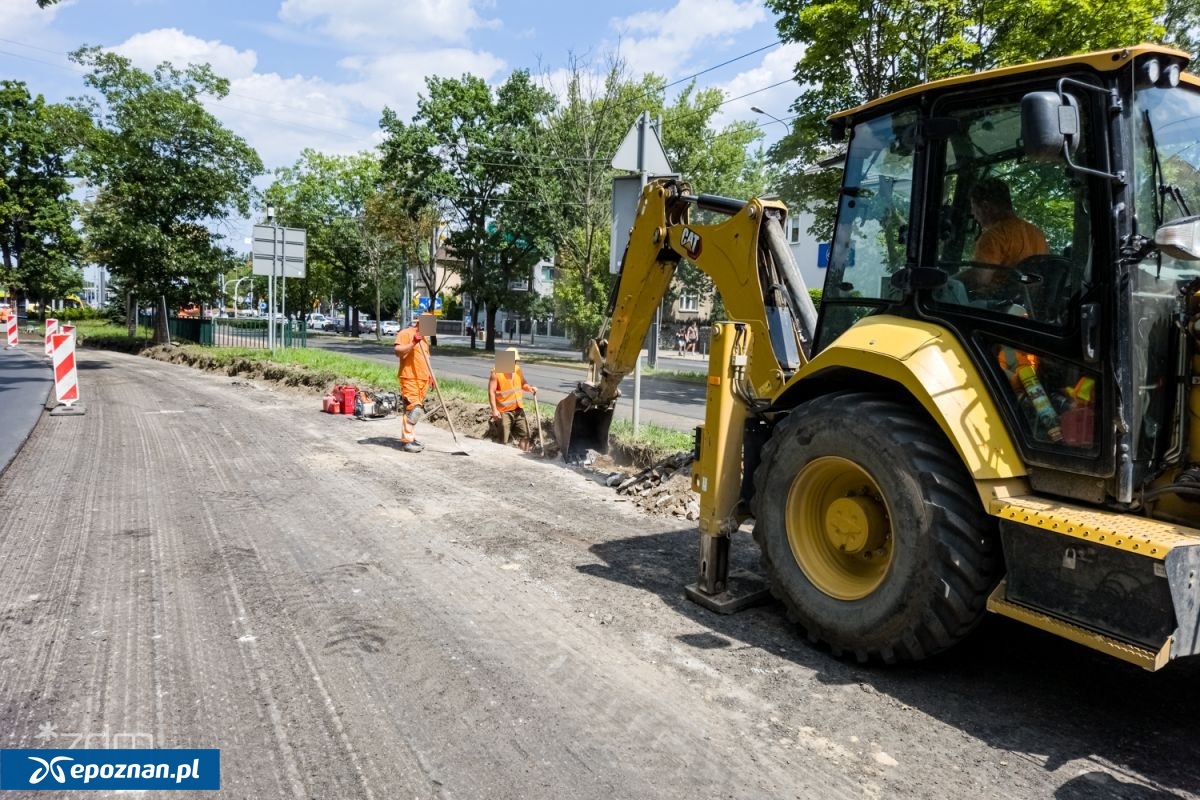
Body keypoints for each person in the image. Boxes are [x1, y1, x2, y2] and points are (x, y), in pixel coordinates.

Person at [962, 177, 1048, 292]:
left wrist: (948, 281)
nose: (973, 213)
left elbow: (979, 278)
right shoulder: (1037, 234)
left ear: (985, 206)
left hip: (996, 304)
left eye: (973, 207)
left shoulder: (994, 236)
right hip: (1026, 304)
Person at [393, 319, 434, 453]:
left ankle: (411, 437)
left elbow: (425, 358)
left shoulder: (425, 340)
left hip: (423, 379)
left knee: (414, 410)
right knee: (414, 409)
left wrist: (431, 375)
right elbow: (398, 351)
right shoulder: (406, 334)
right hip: (409, 377)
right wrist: (413, 342)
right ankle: (407, 442)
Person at [488, 348, 538, 452]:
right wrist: (494, 410)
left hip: (518, 409)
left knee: (525, 435)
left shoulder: (517, 369)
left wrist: (529, 388)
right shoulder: (496, 372)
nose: (515, 363)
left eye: (516, 361)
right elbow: (491, 392)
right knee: (504, 440)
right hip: (504, 412)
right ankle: (502, 459)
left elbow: (523, 383)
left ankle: (523, 457)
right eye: (513, 361)